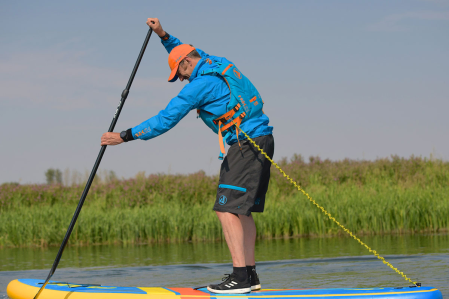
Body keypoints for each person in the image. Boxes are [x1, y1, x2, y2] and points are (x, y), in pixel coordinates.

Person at [101, 18, 274, 294]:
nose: (180, 79)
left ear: (186, 65)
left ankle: (240, 279)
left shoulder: (198, 85)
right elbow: (186, 49)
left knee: (226, 208)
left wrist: (124, 136)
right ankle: (249, 276)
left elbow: (165, 119)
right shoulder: (214, 61)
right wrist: (162, 35)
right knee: (242, 211)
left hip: (245, 143)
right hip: (261, 139)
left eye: (178, 74)